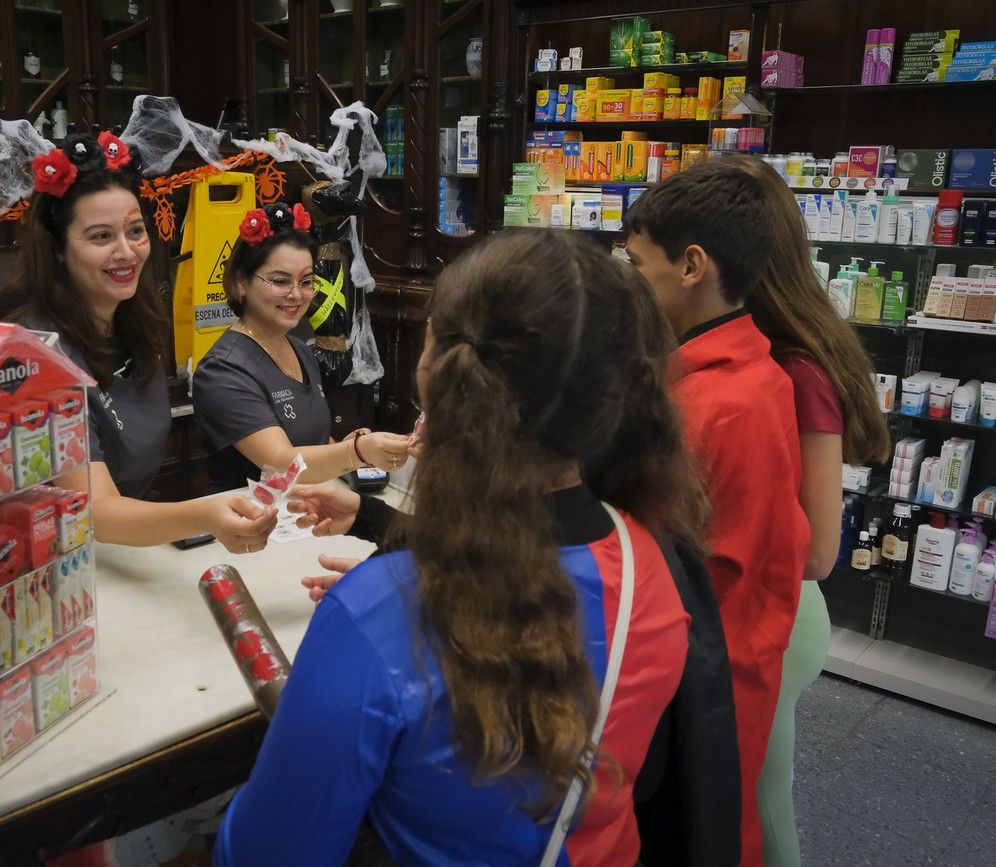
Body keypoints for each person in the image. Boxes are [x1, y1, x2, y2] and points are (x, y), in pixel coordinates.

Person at [214, 230, 729, 866]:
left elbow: (266, 852)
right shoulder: (657, 563)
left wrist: (375, 606)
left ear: (436, 372)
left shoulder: (379, 614)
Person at [624, 156, 812, 867]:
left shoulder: (710, 403)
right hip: (737, 657)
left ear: (692, 265)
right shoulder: (756, 375)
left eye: (638, 266)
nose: (632, 283)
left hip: (704, 676)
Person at [0, 132, 277, 554]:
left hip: (121, 554)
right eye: (101, 237)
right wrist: (205, 513)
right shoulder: (33, 353)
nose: (127, 252)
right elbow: (93, 510)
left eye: (135, 231)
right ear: (58, 248)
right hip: (48, 561)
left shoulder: (138, 324)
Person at [736, 157, 891, 867]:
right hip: (755, 608)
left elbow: (820, 550)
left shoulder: (798, 369)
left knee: (766, 810)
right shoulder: (752, 348)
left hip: (782, 617)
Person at [191, 202, 409, 493]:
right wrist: (356, 452)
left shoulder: (301, 351)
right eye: (280, 281)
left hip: (308, 509)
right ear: (240, 283)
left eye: (306, 281)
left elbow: (314, 445)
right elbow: (280, 463)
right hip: (251, 515)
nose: (296, 294)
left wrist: (345, 448)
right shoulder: (223, 370)